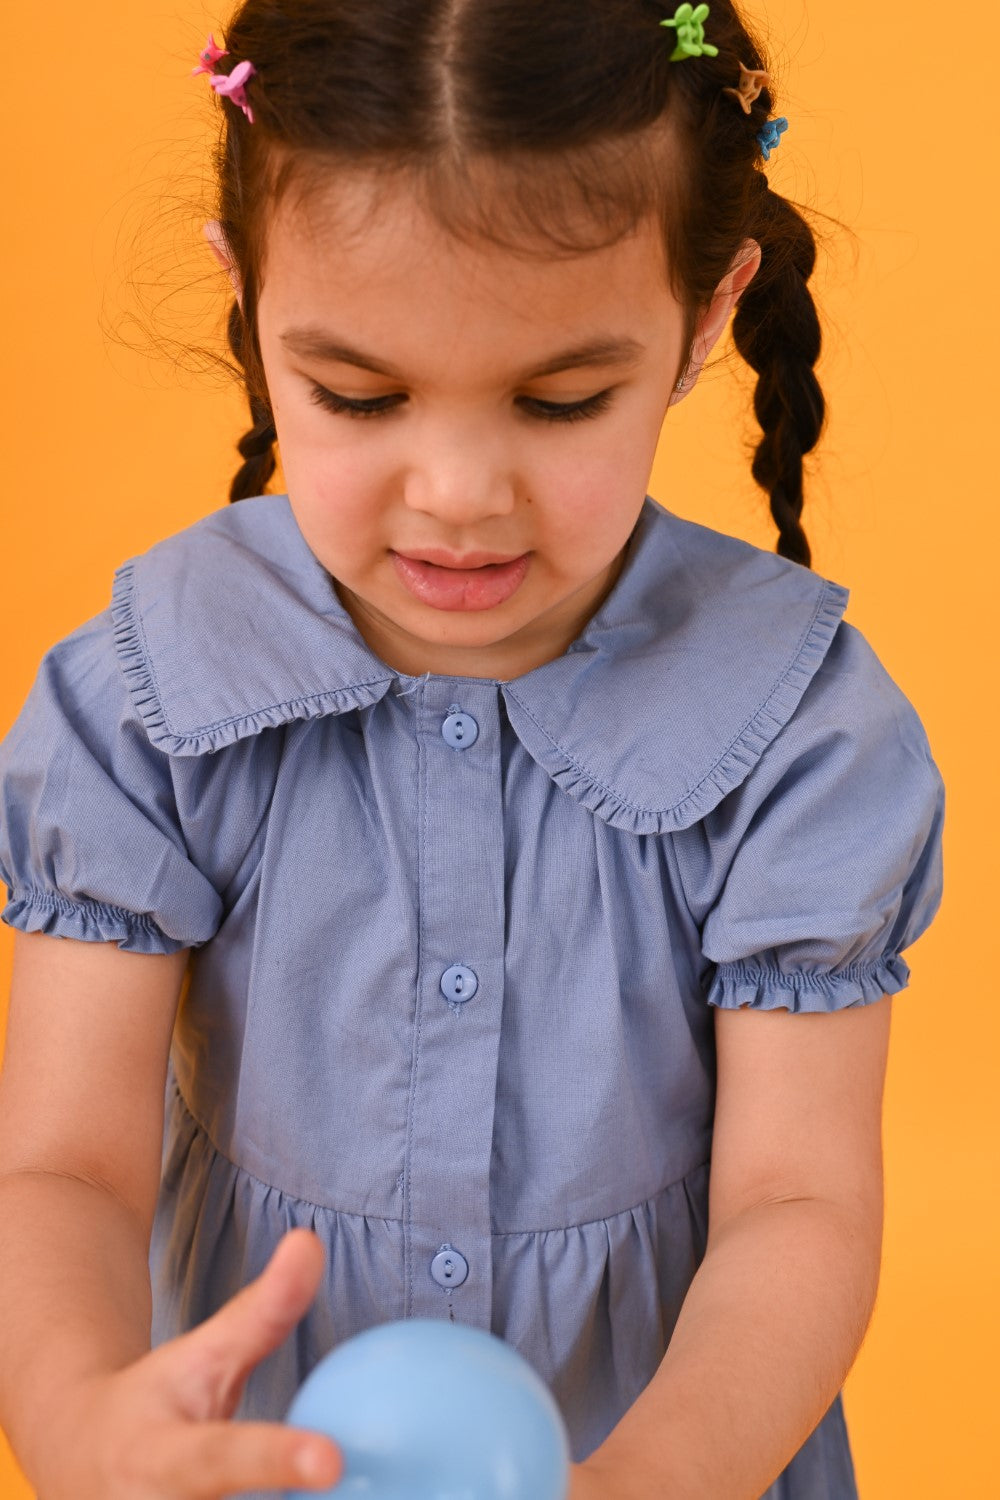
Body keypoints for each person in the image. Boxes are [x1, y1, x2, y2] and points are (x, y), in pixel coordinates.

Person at [0, 3, 945, 1498]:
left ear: (704, 318)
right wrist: (75, 1423)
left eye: (561, 401)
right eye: (359, 395)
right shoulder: (150, 702)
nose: (455, 493)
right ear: (248, 305)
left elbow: (799, 1201)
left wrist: (658, 1477)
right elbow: (65, 1167)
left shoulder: (799, 733)